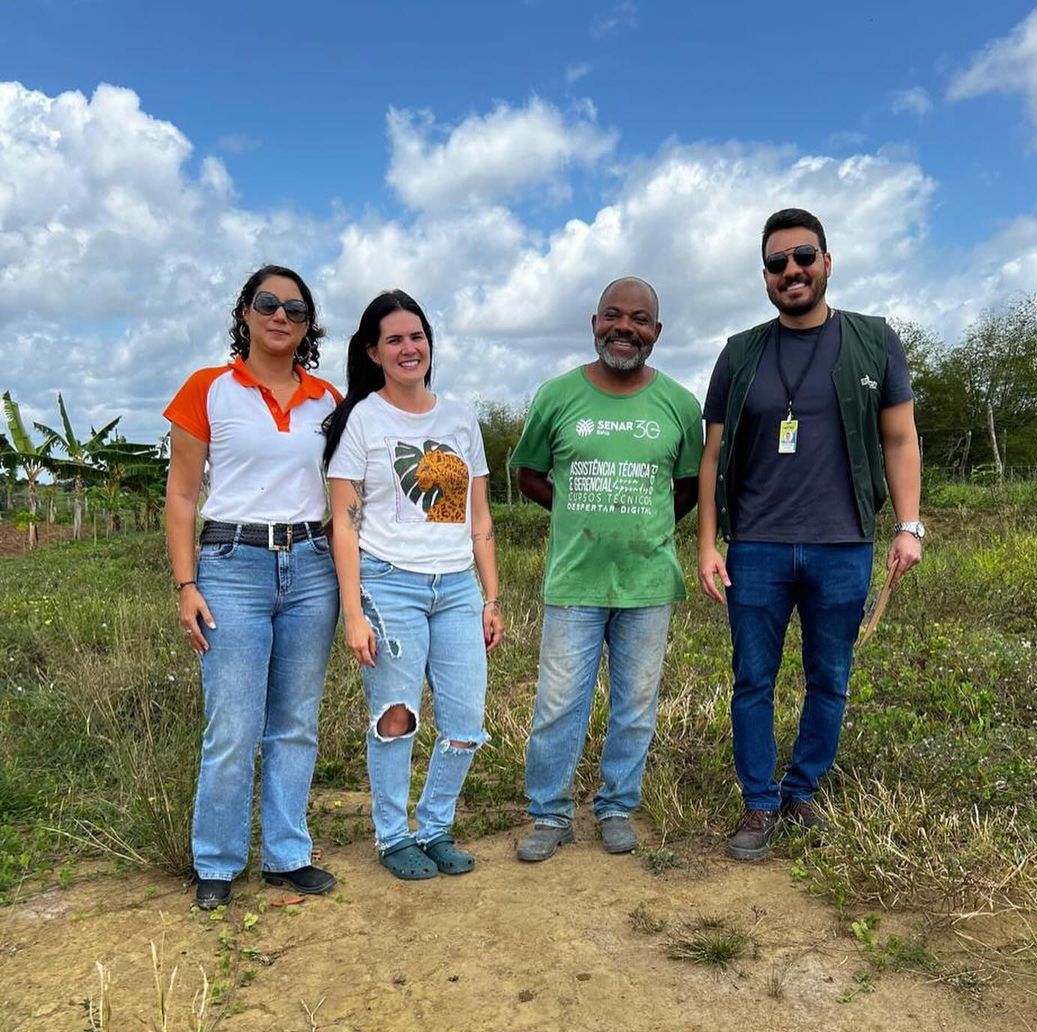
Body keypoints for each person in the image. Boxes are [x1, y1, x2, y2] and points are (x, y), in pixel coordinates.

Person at [697, 208, 923, 861]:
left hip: (843, 543)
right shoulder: (740, 353)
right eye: (776, 263)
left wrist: (908, 526)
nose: (790, 271)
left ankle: (802, 791)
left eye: (802, 257)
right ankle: (758, 804)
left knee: (831, 678)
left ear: (827, 261)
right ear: (765, 276)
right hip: (757, 547)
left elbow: (900, 438)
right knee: (752, 680)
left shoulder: (873, 340)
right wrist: (709, 543)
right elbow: (712, 456)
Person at [165, 265, 341, 910]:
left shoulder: (329, 401)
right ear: (244, 311)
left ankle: (287, 857)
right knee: (234, 722)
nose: (280, 316)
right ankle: (217, 859)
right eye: (267, 303)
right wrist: (187, 583)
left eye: (295, 310)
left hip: (310, 566)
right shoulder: (208, 389)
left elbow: (351, 488)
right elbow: (183, 495)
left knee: (295, 721)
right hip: (232, 564)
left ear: (307, 326)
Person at [510, 277, 703, 863]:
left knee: (636, 705)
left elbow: (691, 485)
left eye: (640, 319)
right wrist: (576, 513)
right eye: (613, 316)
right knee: (558, 703)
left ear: (657, 332)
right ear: (594, 323)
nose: (626, 328)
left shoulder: (679, 404)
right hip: (575, 582)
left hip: (648, 583)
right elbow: (528, 473)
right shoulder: (556, 396)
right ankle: (550, 814)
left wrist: (646, 523)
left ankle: (616, 806)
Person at [324, 291, 504, 881]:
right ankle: (393, 835)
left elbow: (479, 519)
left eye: (418, 336)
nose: (410, 348)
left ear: (430, 344)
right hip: (387, 583)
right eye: (395, 339)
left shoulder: (459, 418)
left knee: (466, 723)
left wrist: (491, 595)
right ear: (374, 352)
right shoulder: (363, 420)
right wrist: (353, 612)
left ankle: (435, 827)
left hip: (456, 588)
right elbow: (345, 526)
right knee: (396, 716)